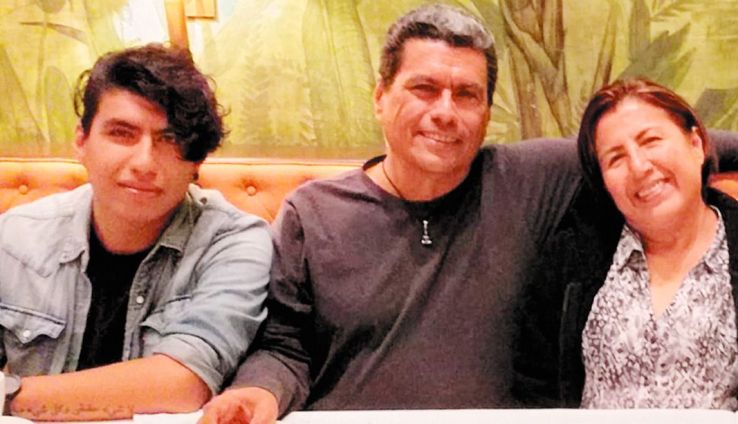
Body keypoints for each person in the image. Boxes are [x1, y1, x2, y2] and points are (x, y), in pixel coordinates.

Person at [199, 5, 738, 424]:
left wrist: (695, 151)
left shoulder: (528, 179)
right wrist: (259, 392)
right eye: (424, 89)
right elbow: (285, 345)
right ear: (381, 96)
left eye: (466, 95)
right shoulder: (313, 213)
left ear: (485, 112)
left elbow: (656, 147)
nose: (444, 112)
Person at [0, 44, 272, 421]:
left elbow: (181, 383)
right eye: (122, 133)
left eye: (170, 139)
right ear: (81, 141)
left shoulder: (235, 241)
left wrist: (9, 396)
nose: (144, 162)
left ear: (196, 160)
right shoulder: (15, 237)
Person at [513, 78, 738, 409]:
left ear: (696, 144)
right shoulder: (571, 258)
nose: (639, 167)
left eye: (651, 141)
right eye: (615, 158)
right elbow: (534, 385)